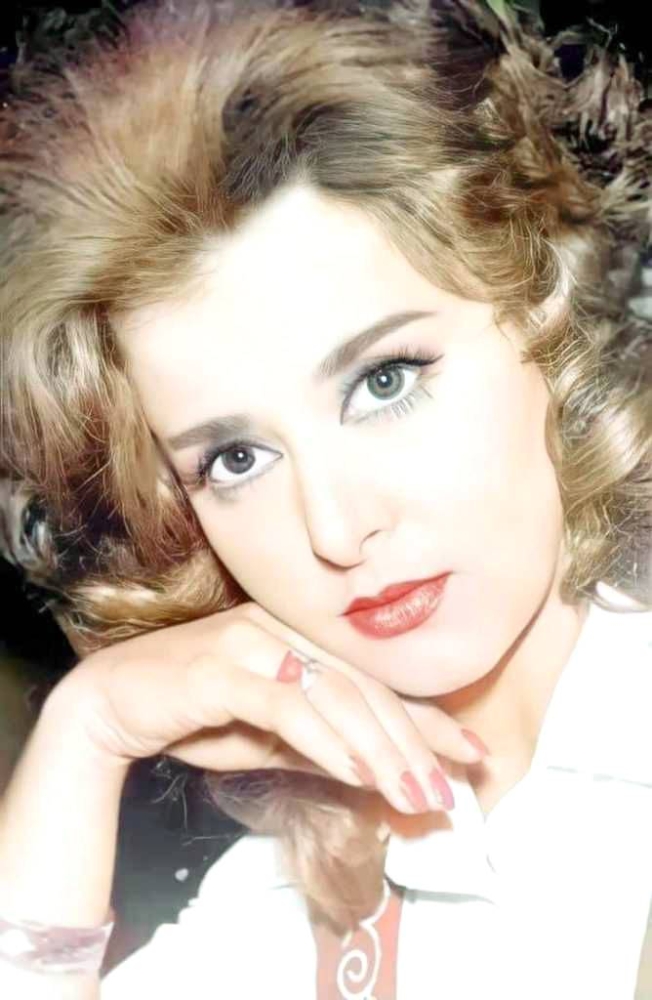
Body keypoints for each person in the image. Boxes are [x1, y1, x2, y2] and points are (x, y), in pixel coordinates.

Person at [0, 0, 650, 997]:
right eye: (235, 460)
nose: (336, 530)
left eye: (384, 382)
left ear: (549, 309)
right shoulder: (301, 886)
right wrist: (86, 734)